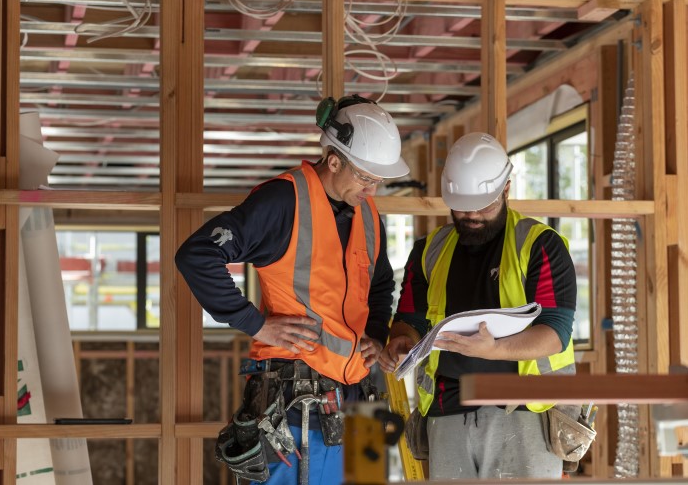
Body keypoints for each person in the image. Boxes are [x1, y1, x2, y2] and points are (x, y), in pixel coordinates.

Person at [175, 95, 409, 485]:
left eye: (379, 180)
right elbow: (198, 254)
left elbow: (380, 282)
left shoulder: (367, 212)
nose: (373, 188)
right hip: (298, 405)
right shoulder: (284, 201)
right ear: (334, 161)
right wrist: (256, 323)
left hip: (362, 400)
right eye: (367, 177)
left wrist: (377, 333)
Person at [379, 132, 577, 480]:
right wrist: (402, 341)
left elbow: (554, 333)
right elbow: (408, 319)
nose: (471, 214)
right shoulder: (429, 251)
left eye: (483, 205)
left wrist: (495, 349)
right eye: (461, 205)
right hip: (446, 413)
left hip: (524, 413)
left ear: (506, 189)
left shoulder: (539, 245)